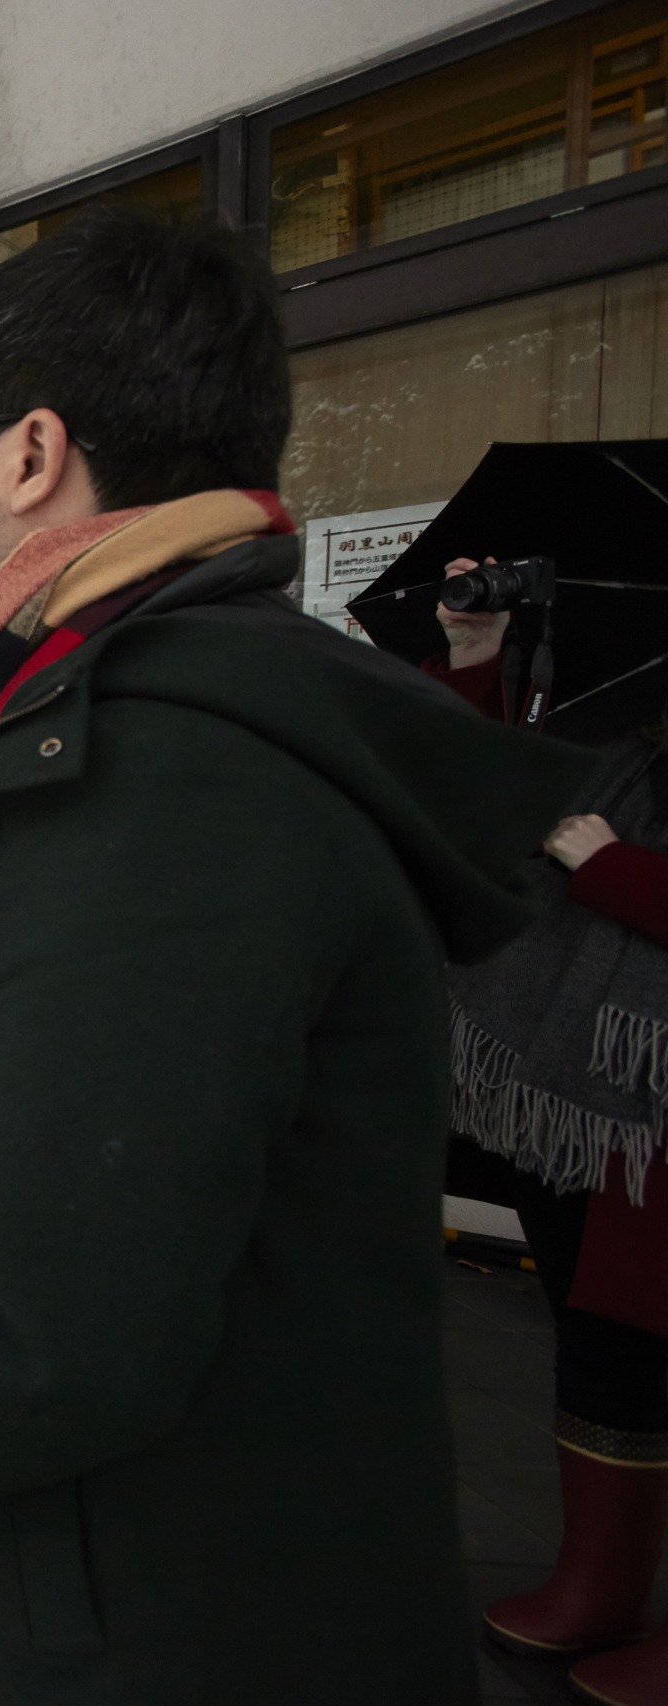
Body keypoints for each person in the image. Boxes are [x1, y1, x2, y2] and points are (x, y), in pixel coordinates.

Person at [0, 206, 582, 1704]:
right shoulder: (141, 722)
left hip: (143, 1627)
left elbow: (53, 1327)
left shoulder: (162, 776)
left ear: (27, 456)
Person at [432, 567, 668, 1706]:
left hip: (647, 1109)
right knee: (602, 1337)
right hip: (581, 1107)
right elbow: (481, 803)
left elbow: (582, 857)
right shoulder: (626, 731)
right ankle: (600, 1583)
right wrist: (478, 657)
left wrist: (615, 869)